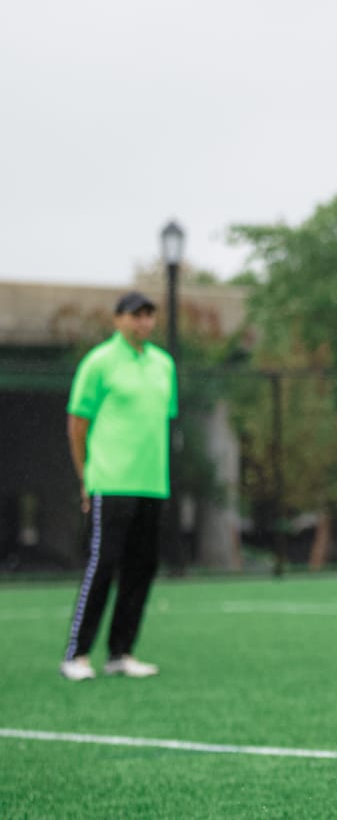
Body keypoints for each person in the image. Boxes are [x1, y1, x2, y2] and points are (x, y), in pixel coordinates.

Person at [60, 290, 177, 681]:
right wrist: (86, 478)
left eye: (148, 315)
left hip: (152, 485)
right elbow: (78, 423)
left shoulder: (164, 365)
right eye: (135, 315)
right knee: (103, 564)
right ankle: (76, 655)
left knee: (142, 568)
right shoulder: (99, 362)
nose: (143, 322)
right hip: (110, 482)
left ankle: (120, 653)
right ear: (118, 319)